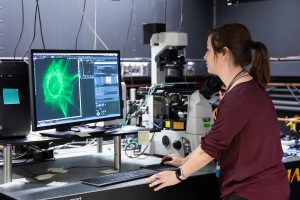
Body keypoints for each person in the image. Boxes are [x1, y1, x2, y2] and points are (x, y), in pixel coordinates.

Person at [147, 23, 290, 200]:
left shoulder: (238, 98)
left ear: (224, 54)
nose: (204, 56)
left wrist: (178, 175)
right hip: (271, 189)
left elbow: (209, 150)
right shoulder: (250, 89)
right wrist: (186, 160)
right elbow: (215, 140)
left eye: (208, 50)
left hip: (251, 193)